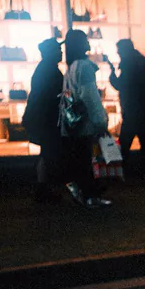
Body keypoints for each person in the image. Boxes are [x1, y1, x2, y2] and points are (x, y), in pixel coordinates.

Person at [60, 28, 109, 209]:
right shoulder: (85, 67)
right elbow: (90, 96)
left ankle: (83, 194)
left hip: (73, 124)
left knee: (80, 161)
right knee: (88, 160)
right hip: (85, 124)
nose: (88, 43)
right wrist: (100, 121)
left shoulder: (70, 68)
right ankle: (91, 196)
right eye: (85, 40)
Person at [107, 39, 145, 182]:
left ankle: (120, 172)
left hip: (132, 110)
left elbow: (120, 85)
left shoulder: (127, 67)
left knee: (125, 143)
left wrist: (111, 73)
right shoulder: (138, 65)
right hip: (143, 110)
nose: (118, 53)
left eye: (119, 50)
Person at [23, 38, 64, 202]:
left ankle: (43, 187)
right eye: (58, 50)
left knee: (46, 153)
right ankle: (44, 189)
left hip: (41, 118)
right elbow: (54, 95)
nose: (61, 53)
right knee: (49, 154)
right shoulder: (50, 71)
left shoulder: (44, 69)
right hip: (46, 120)